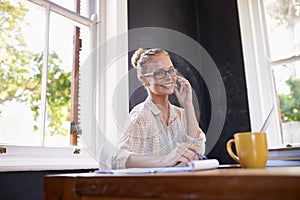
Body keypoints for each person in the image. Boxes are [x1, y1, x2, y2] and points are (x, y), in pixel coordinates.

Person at [108, 48, 206, 169]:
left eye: (171, 70)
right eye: (159, 73)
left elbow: (198, 150)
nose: (169, 77)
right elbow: (116, 159)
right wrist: (164, 161)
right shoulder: (141, 117)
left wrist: (188, 105)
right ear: (144, 80)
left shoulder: (180, 114)